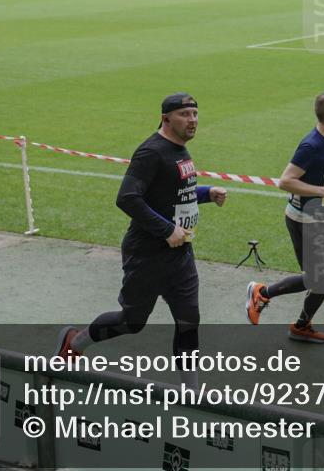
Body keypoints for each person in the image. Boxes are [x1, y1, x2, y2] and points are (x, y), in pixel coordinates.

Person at [56, 93, 227, 386]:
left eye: (195, 114)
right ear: (166, 118)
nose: (193, 121)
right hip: (146, 254)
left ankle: (191, 393)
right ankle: (75, 342)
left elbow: (174, 194)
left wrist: (206, 193)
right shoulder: (152, 152)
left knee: (189, 320)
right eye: (185, 114)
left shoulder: (180, 150)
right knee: (131, 323)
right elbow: (127, 198)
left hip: (180, 255)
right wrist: (166, 230)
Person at [244, 91, 324, 343]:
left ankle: (301, 325)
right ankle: (261, 292)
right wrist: (321, 191)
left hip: (321, 218)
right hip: (304, 221)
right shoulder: (312, 145)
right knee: (315, 277)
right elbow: (285, 181)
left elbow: (322, 172)